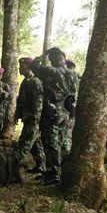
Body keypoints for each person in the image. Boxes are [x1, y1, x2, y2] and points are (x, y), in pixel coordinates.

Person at [30, 47, 77, 185]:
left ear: (56, 58)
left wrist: (43, 54)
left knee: (50, 143)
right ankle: (58, 172)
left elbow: (33, 65)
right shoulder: (73, 74)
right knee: (61, 143)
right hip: (66, 113)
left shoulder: (53, 71)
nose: (49, 61)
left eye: (50, 59)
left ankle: (53, 174)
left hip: (53, 112)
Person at [14, 57, 45, 175]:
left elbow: (38, 102)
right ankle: (41, 166)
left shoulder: (35, 82)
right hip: (27, 117)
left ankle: (12, 166)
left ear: (28, 67)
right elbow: (21, 101)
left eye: (21, 66)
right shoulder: (25, 82)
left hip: (32, 119)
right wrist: (18, 114)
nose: (19, 69)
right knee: (36, 143)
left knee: (24, 142)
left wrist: (34, 119)